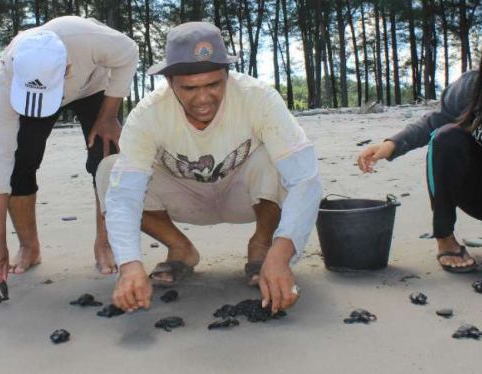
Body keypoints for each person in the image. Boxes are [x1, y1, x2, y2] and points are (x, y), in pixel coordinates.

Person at [96, 22, 322, 314]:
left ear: (228, 75)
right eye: (189, 88)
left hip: (245, 195)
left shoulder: (258, 98)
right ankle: (180, 248)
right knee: (109, 171)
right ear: (169, 82)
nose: (202, 98)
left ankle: (263, 247)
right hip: (184, 197)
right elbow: (125, 196)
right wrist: (129, 264)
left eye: (213, 85)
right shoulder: (147, 115)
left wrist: (283, 255)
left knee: (282, 158)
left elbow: (305, 178)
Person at [357, 20, 482, 286]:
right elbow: (434, 121)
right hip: (475, 191)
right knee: (446, 136)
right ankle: (445, 238)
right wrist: (392, 145)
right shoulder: (472, 87)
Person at [0, 16, 138, 284]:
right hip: (31, 92)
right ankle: (29, 246)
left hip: (94, 86)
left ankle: (106, 243)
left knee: (106, 156)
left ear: (66, 68)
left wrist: (109, 115)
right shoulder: (6, 77)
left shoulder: (88, 38)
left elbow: (129, 53)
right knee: (19, 161)